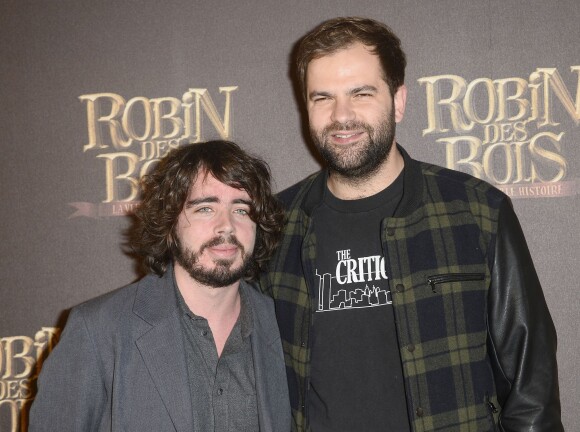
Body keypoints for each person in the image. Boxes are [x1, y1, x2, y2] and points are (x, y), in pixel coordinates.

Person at [259, 17, 563, 432]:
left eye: (361, 93)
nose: (341, 116)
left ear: (398, 100)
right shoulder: (275, 228)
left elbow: (531, 380)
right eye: (322, 98)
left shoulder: (477, 211)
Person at [30, 140, 290, 431]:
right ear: (171, 223)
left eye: (241, 210)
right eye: (205, 208)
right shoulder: (97, 331)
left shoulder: (279, 323)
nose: (226, 226)